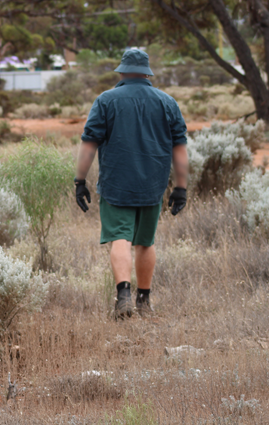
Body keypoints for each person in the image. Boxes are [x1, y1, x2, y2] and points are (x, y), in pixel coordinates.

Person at [75, 49, 189, 319]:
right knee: (146, 243)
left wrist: (80, 180)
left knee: (120, 238)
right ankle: (144, 301)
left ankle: (123, 295)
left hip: (116, 184)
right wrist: (181, 187)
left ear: (122, 71)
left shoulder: (106, 101)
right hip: (153, 184)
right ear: (147, 73)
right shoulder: (167, 102)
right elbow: (180, 147)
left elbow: (89, 143)